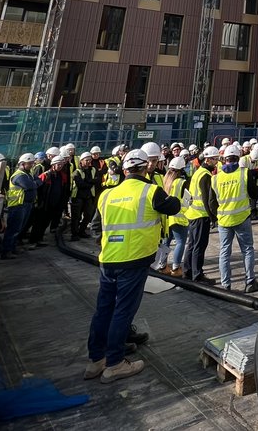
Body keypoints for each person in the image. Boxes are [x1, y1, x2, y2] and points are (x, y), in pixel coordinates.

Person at [84, 148, 181, 383]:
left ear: (125, 169)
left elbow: (95, 226)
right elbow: (174, 207)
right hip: (134, 260)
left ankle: (97, 359)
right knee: (123, 310)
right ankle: (115, 363)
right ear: (145, 167)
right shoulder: (150, 191)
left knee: (104, 309)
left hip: (108, 259)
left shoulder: (106, 194)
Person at [215, 145, 258, 293]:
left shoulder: (216, 178)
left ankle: (225, 285)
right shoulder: (245, 173)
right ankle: (250, 281)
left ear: (225, 159)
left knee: (224, 252)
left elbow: (213, 200)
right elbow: (254, 194)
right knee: (247, 250)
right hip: (242, 218)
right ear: (238, 157)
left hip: (223, 220)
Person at [180, 147, 218, 281]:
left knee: (191, 245)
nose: (217, 162)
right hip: (200, 215)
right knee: (199, 246)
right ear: (208, 159)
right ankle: (197, 274)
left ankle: (187, 271)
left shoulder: (198, 172)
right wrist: (214, 217)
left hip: (193, 214)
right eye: (215, 159)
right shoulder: (205, 175)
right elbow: (208, 199)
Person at [1, 153, 39, 258]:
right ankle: (6, 251)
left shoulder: (28, 174)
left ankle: (12, 248)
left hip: (25, 204)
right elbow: (29, 186)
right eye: (29, 163)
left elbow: (39, 181)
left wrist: (35, 183)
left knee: (19, 228)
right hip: (17, 205)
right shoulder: (19, 175)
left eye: (32, 163)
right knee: (13, 229)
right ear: (22, 164)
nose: (32, 165)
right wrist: (35, 184)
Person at [28, 154, 70, 246]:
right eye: (58, 164)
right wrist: (39, 202)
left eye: (61, 164)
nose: (60, 166)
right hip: (44, 204)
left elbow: (63, 189)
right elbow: (38, 189)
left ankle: (39, 239)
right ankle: (33, 240)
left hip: (55, 204)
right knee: (38, 223)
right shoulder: (46, 175)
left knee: (46, 223)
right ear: (53, 165)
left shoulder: (62, 176)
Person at [160, 156, 189, 276]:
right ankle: (176, 268)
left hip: (167, 217)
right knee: (180, 242)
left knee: (166, 242)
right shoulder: (182, 182)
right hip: (179, 216)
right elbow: (187, 199)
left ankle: (162, 266)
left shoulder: (165, 180)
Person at [71, 151, 100, 241]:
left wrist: (88, 181)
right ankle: (74, 234)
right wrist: (90, 182)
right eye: (86, 160)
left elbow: (97, 180)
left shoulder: (93, 170)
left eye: (89, 160)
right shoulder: (77, 172)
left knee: (88, 215)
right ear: (81, 161)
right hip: (78, 197)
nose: (88, 162)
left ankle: (82, 231)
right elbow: (80, 184)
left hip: (89, 196)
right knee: (76, 217)